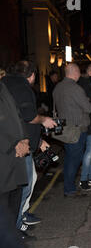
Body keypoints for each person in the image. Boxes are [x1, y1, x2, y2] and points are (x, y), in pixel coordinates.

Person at [2, 61, 57, 235]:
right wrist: (43, 121)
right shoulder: (21, 87)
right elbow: (28, 116)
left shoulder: (6, 85)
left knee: (24, 182)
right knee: (22, 185)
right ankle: (16, 225)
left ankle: (20, 217)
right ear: (32, 75)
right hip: (15, 147)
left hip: (18, 143)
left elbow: (19, 118)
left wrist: (36, 140)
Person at [53, 63, 91, 197]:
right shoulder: (76, 88)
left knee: (70, 158)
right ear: (75, 72)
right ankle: (69, 189)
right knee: (74, 160)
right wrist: (86, 100)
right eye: (78, 72)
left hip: (64, 129)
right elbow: (88, 108)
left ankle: (69, 186)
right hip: (76, 129)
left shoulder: (57, 87)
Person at [0, 81, 30, 238]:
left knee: (15, 198)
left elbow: (18, 115)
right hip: (4, 155)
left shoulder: (3, 86)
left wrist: (25, 139)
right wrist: (14, 144)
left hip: (16, 155)